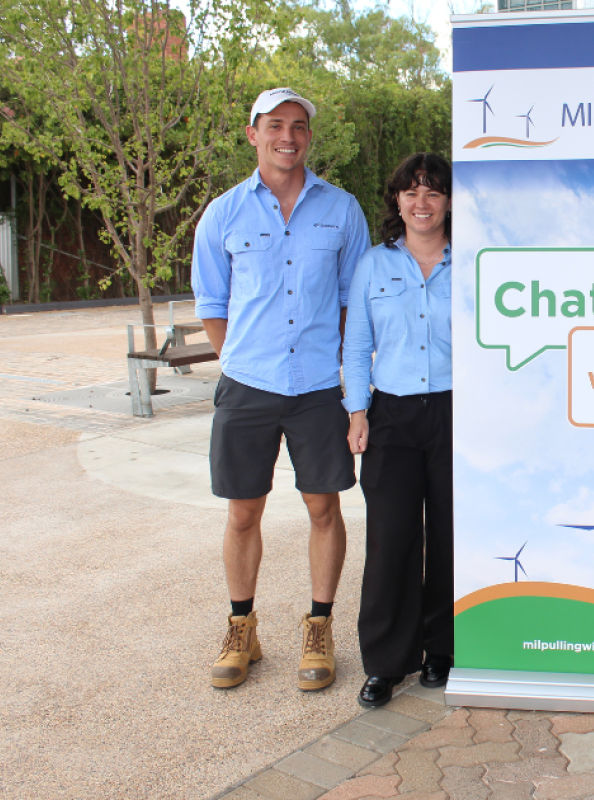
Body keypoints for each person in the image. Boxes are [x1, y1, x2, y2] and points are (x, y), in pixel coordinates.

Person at [192, 87, 370, 691]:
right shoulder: (223, 214)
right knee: (244, 512)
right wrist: (239, 360)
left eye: (297, 126)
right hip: (248, 386)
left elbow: (355, 303)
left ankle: (318, 627)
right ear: (254, 134)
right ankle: (243, 627)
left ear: (307, 138)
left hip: (319, 387)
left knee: (324, 508)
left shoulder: (342, 210)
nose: (287, 136)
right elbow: (213, 303)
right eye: (275, 125)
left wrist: (345, 377)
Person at [343, 153, 454, 708]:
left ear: (450, 202)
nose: (422, 202)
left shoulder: (474, 263)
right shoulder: (373, 265)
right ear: (397, 201)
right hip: (392, 414)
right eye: (411, 192)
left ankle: (443, 650)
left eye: (433, 191)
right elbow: (358, 345)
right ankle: (387, 662)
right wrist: (357, 411)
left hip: (458, 411)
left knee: (453, 536)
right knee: (391, 539)